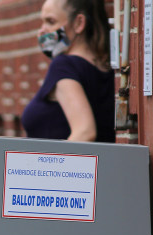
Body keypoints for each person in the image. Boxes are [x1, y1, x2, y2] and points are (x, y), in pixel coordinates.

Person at [21, 0, 115, 143]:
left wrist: (55, 165)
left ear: (79, 23)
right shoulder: (107, 69)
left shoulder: (64, 66)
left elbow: (85, 132)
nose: (42, 30)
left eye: (51, 22)